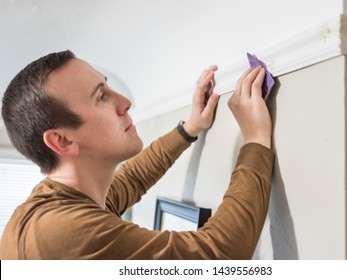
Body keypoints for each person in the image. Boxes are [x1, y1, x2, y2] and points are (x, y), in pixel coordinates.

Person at [0, 50, 274, 259]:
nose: (125, 101)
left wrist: (191, 127)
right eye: (101, 97)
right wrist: (256, 139)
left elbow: (131, 179)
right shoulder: (63, 232)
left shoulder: (59, 202)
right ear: (62, 140)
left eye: (107, 86)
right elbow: (218, 254)